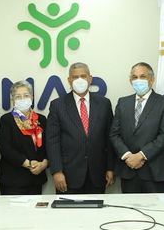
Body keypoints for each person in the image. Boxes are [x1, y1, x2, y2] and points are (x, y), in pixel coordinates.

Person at [46, 62, 114, 194]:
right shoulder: (57, 105)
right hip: (67, 176)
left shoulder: (104, 103)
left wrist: (110, 168)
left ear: (90, 78)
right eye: (75, 77)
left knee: (97, 214)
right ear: (69, 80)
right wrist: (57, 171)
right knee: (68, 214)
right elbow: (52, 141)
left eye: (83, 76)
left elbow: (109, 138)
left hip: (98, 175)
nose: (79, 80)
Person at [110, 62, 164, 193]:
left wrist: (141, 155)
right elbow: (114, 134)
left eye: (142, 76)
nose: (138, 80)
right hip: (129, 171)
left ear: (152, 79)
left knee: (157, 212)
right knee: (130, 213)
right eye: (134, 77)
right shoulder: (123, 102)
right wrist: (128, 156)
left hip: (155, 173)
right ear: (130, 80)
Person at [0, 81, 48, 194]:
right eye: (18, 96)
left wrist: (44, 164)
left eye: (26, 95)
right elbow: (5, 148)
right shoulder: (6, 119)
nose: (22, 99)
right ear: (12, 100)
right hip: (13, 179)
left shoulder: (42, 119)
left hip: (36, 177)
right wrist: (28, 164)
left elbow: (49, 145)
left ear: (32, 97)